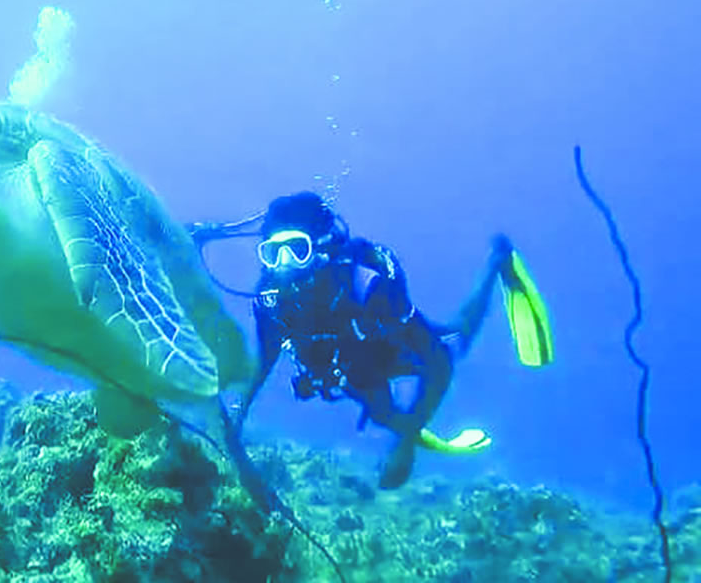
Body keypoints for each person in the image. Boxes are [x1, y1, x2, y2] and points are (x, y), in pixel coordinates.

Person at [190, 191, 554, 489]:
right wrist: (237, 417)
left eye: (296, 250)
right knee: (382, 413)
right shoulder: (270, 299)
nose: (285, 265)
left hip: (389, 348)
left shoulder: (368, 287)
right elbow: (265, 358)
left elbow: (437, 364)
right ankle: (399, 423)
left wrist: (406, 447)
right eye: (273, 253)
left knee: (454, 344)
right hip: (348, 366)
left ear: (321, 248)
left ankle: (497, 261)